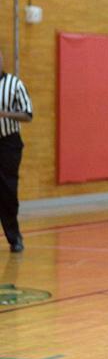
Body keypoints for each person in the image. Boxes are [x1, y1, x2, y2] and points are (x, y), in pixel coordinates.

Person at [0, 48, 32, 253]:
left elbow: (28, 115)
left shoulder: (14, 84)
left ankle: (14, 237)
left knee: (7, 191)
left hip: (8, 143)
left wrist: (4, 113)